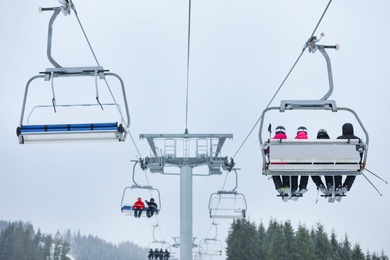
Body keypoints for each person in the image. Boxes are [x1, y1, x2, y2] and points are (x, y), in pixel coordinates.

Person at [336, 123, 361, 193]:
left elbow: (335, 151)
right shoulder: (358, 139)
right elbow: (361, 152)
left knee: (336, 171)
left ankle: (338, 186)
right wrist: (360, 161)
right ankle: (346, 186)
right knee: (353, 172)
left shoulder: (339, 139)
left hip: (340, 163)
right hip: (353, 163)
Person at [269, 126, 290, 194]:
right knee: (285, 172)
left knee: (275, 173)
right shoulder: (288, 141)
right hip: (285, 164)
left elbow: (266, 150)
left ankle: (279, 186)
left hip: (275, 164)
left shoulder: (271, 141)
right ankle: (286, 186)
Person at [311, 129, 329, 194]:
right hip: (329, 165)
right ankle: (330, 185)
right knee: (329, 172)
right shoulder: (331, 144)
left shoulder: (315, 145)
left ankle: (320, 185)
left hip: (318, 165)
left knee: (313, 173)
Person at [295, 126, 309, 194]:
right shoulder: (310, 142)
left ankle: (293, 187)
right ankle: (303, 186)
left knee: (293, 169)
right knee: (307, 169)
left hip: (294, 163)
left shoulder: (293, 141)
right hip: (305, 163)